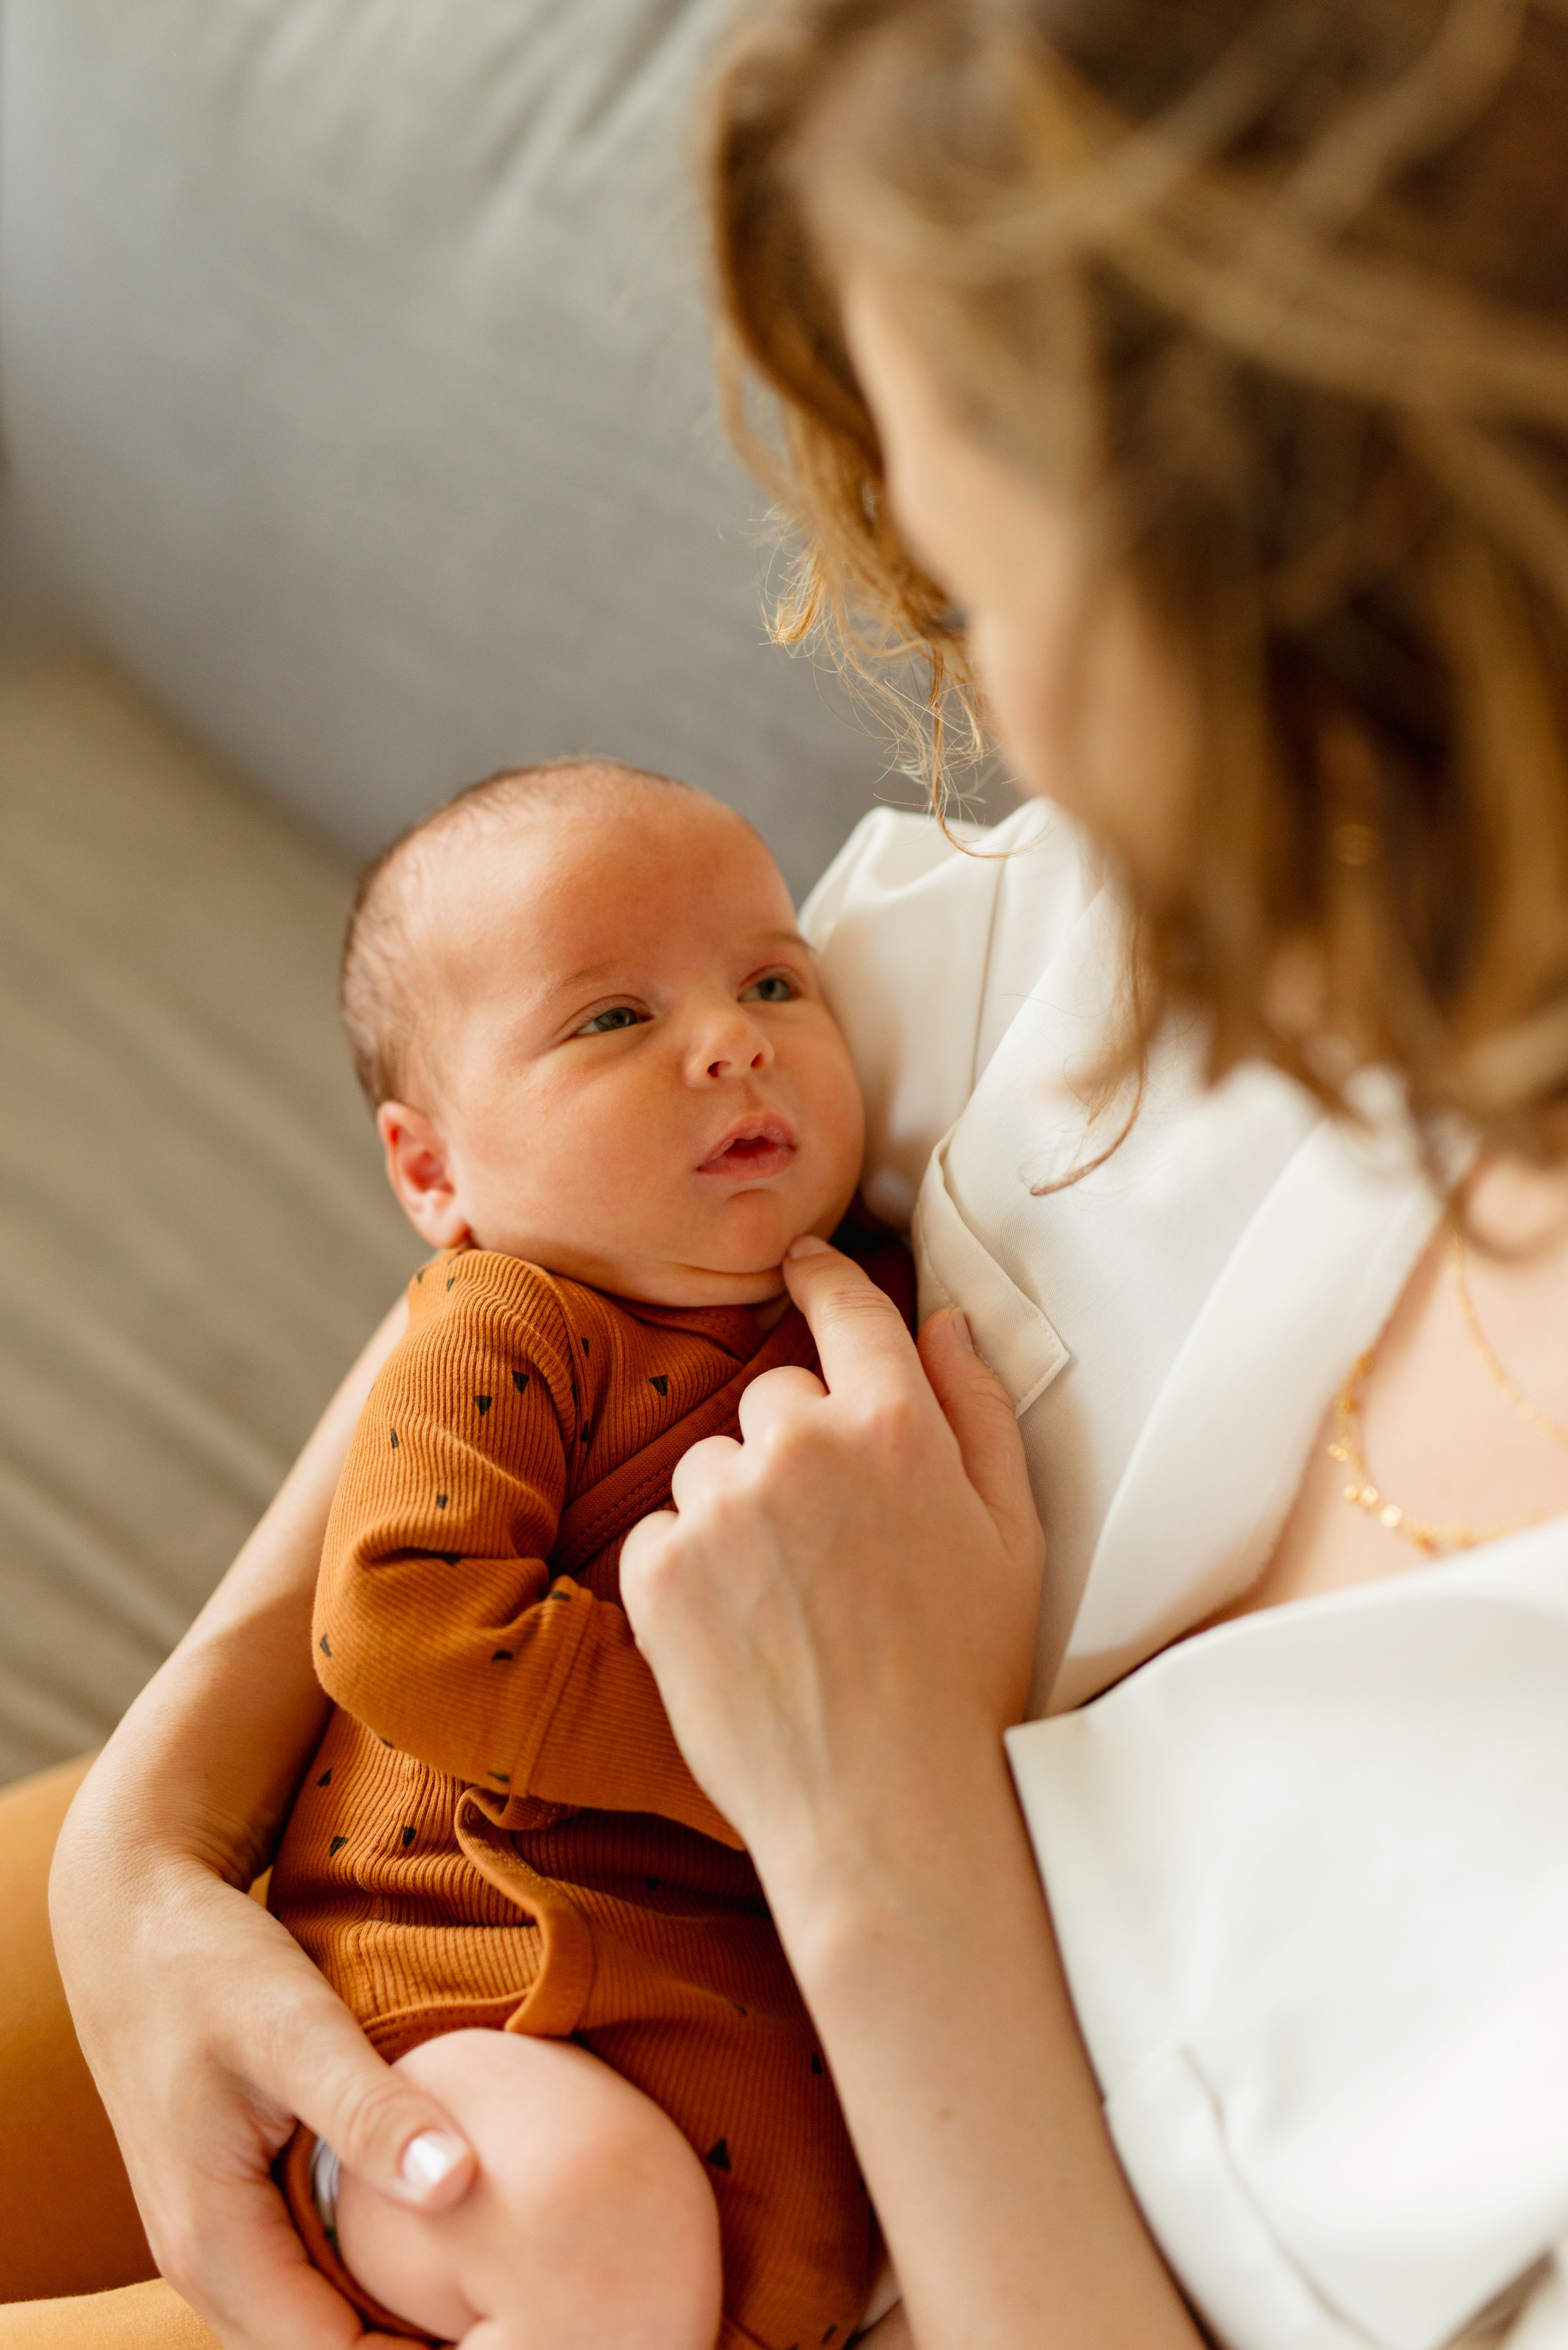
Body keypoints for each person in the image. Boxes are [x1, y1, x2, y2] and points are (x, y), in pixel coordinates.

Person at [6, 0, 1568, 2344]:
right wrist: (146, 1832)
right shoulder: (1160, 908)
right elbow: (560, 1218)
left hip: (674, 2220)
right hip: (364, 1841)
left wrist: (875, 1826)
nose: (992, 711)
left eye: (998, 585)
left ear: (1336, 570)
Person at [264, 755, 898, 2350]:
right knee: (603, 2226)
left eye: (774, 980)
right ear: (434, 1172)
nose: (735, 1039)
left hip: (729, 2060)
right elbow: (405, 1626)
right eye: (614, 1018)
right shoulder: (511, 1329)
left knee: (767, 2277)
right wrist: (760, 1758)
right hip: (458, 2000)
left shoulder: (875, 1300)